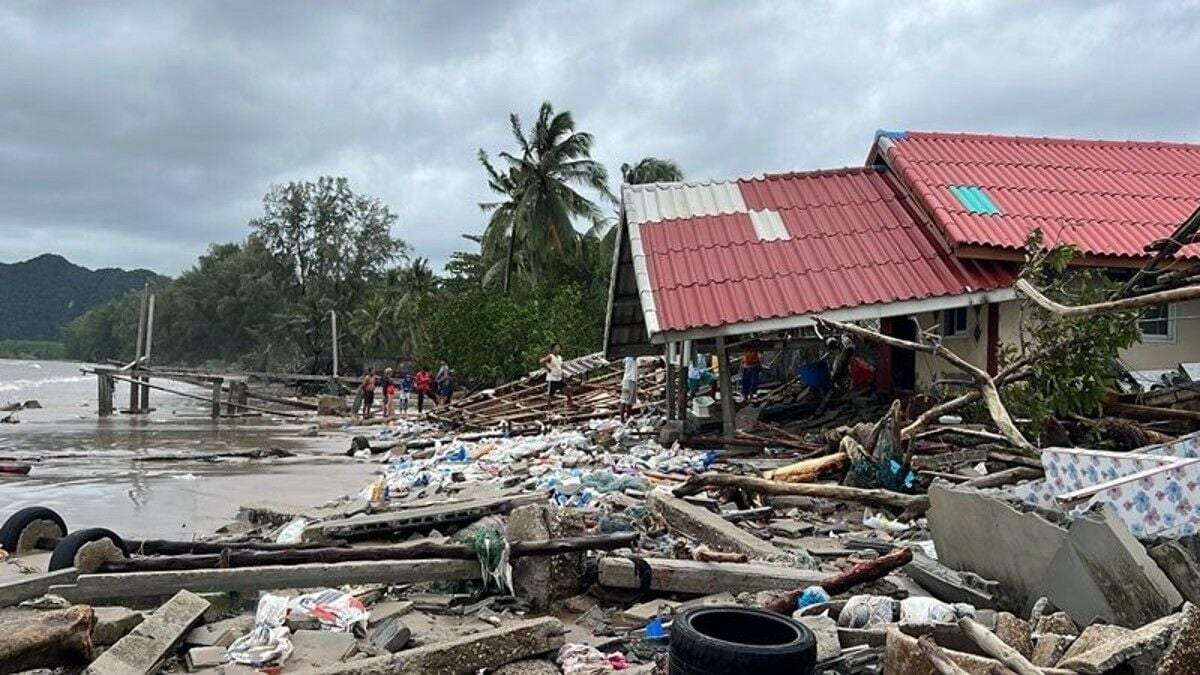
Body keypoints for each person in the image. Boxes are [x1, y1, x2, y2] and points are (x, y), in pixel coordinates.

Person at [540, 342, 571, 407]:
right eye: (557, 347)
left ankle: (570, 402)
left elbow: (560, 367)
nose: (558, 349)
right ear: (553, 349)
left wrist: (562, 375)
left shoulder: (560, 357)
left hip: (559, 377)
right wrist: (547, 368)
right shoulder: (550, 356)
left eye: (559, 347)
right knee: (551, 394)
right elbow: (541, 361)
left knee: (568, 388)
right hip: (552, 378)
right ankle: (548, 408)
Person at [619, 356, 638, 421]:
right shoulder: (629, 357)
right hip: (628, 379)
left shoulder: (634, 359)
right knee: (624, 400)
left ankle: (628, 417)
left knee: (630, 401)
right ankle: (622, 419)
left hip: (633, 380)